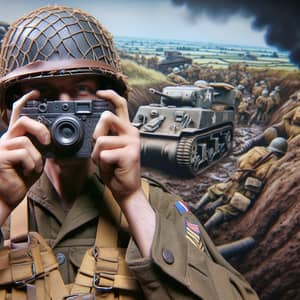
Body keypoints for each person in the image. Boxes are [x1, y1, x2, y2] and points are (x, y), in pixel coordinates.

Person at [0, 5, 259, 300]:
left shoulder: (156, 206)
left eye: (81, 89)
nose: (65, 115)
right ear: (12, 111)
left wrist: (133, 201)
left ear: (110, 102)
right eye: (44, 96)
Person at [195, 137, 288, 232]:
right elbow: (267, 178)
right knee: (231, 209)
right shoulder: (275, 163)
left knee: (216, 189)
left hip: (237, 179)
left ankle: (197, 207)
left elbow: (240, 160)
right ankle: (206, 227)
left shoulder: (257, 149)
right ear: (281, 152)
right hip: (248, 189)